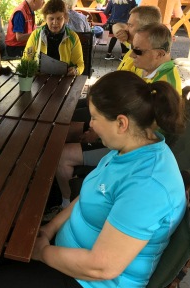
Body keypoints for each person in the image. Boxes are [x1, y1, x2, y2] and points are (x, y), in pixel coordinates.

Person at [0, 70, 187, 288]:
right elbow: (89, 195)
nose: (91, 125)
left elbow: (102, 268)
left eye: (95, 118)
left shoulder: (148, 185)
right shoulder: (128, 149)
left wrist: (44, 252)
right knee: (4, 245)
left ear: (122, 123)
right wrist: (49, 228)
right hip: (74, 257)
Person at [54, 21, 181, 214]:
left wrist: (96, 132)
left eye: (137, 51)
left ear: (159, 54)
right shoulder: (151, 70)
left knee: (62, 152)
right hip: (125, 137)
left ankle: (65, 204)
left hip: (131, 150)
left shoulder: (165, 84)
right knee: (62, 131)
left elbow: (139, 132)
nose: (131, 54)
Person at [23, 0, 84, 77]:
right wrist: (30, 69)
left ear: (65, 18)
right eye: (51, 19)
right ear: (45, 19)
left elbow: (80, 65)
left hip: (64, 78)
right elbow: (26, 59)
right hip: (40, 78)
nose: (55, 22)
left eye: (59, 18)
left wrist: (75, 71)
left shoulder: (73, 37)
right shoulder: (36, 35)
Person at [113, 5, 162, 73]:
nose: (126, 29)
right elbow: (117, 25)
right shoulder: (134, 43)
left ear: (144, 29)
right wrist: (118, 31)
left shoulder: (146, 63)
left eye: (130, 25)